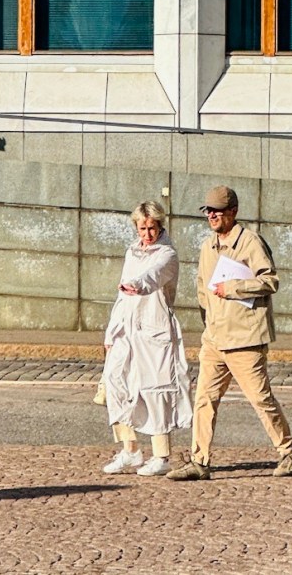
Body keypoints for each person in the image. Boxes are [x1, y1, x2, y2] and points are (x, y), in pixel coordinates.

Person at [168, 185, 292, 481]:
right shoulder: (207, 247)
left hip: (245, 339)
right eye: (208, 211)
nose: (212, 216)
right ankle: (199, 461)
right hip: (214, 339)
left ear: (233, 212)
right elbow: (202, 289)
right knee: (204, 400)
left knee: (261, 400)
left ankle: (288, 452)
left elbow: (270, 281)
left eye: (217, 211)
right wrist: (208, 324)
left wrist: (233, 288)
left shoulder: (250, 242)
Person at [100, 201, 192, 477]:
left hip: (154, 329)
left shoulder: (168, 254)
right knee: (115, 382)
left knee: (155, 390)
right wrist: (111, 331)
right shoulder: (132, 252)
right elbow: (121, 297)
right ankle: (129, 449)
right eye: (142, 228)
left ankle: (161, 456)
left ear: (160, 226)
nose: (147, 234)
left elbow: (154, 275)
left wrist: (137, 285)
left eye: (152, 228)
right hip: (126, 328)